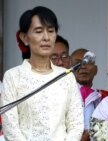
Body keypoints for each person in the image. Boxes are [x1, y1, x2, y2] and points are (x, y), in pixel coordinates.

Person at [0, 6, 83, 141]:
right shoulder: (13, 77)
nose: (46, 37)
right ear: (25, 38)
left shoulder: (67, 76)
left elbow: (76, 124)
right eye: (39, 31)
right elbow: (11, 127)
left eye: (51, 31)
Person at [70, 48, 108, 141]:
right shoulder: (61, 96)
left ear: (96, 70)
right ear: (70, 69)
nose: (83, 66)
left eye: (88, 62)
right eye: (78, 63)